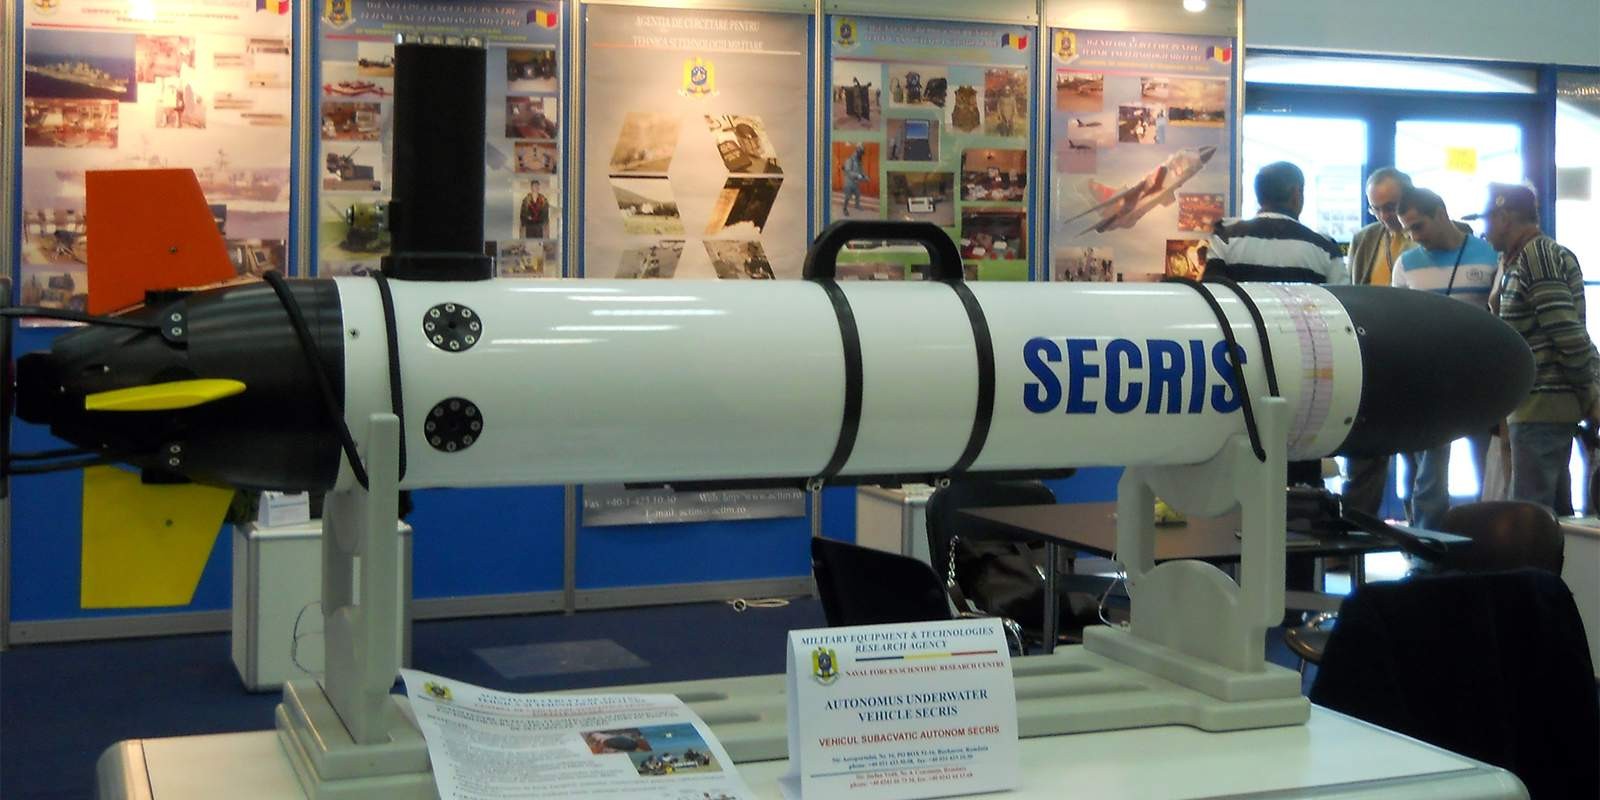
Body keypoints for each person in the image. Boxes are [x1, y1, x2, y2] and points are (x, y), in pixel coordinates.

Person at [1472, 183, 1599, 512]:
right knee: (1549, 513)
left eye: (1486, 219)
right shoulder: (1515, 259)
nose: (1483, 231)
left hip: (1544, 406)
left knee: (1531, 515)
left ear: (1504, 218)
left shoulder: (1537, 256)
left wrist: (1591, 393)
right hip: (1534, 406)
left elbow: (1565, 331)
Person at [1389, 187, 1499, 528]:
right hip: (1430, 379)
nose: (1413, 236)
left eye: (1418, 226)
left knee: (1489, 467)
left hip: (1481, 378)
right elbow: (1400, 324)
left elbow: (1500, 314)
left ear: (1440, 213)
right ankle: (1427, 544)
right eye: (1407, 230)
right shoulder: (1407, 263)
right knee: (1430, 475)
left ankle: (1487, 537)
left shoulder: (1489, 254)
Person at [1342, 167, 1416, 516]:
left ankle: (1419, 530)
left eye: (1392, 206)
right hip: (1373, 357)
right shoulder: (1365, 239)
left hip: (1417, 355)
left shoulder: (1433, 233)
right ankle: (1356, 530)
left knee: (1419, 454)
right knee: (1364, 454)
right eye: (1377, 208)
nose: (1386, 215)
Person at [1206, 161, 1347, 286]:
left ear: (1259, 195)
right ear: (1296, 194)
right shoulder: (1325, 247)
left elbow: (1212, 294)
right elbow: (1343, 300)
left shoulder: (1225, 237)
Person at [840, 145, 865, 216]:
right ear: (857, 152)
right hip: (849, 182)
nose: (861, 155)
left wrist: (864, 176)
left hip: (855, 182)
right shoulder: (850, 160)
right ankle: (845, 209)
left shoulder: (859, 161)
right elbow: (848, 172)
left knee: (858, 194)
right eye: (861, 153)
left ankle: (857, 205)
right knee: (848, 197)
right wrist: (858, 175)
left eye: (862, 153)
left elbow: (861, 170)